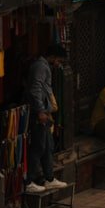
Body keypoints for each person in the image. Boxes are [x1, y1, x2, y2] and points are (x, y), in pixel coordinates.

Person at [24, 45, 69, 195]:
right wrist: (40, 110)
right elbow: (35, 88)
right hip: (39, 113)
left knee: (48, 146)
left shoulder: (43, 67)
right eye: (58, 60)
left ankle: (49, 178)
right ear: (53, 56)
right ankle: (28, 181)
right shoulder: (41, 67)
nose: (58, 64)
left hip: (44, 112)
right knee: (38, 146)